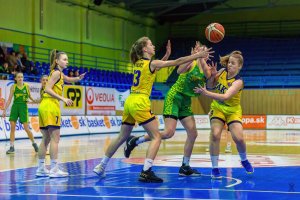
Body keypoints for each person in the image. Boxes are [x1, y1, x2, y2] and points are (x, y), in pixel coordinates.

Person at [93, 37, 213, 183]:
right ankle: (146, 171)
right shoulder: (152, 63)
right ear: (145, 49)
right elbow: (176, 63)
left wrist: (166, 55)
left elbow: (155, 67)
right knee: (156, 137)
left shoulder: (138, 62)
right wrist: (196, 55)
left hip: (130, 100)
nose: (153, 45)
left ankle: (101, 165)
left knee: (121, 137)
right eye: (150, 44)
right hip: (140, 102)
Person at [123, 42, 211, 177]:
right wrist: (194, 56)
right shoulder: (191, 63)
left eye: (205, 52)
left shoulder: (206, 68)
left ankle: (185, 166)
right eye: (201, 51)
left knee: (193, 134)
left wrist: (202, 60)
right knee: (169, 132)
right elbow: (179, 70)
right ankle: (135, 140)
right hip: (174, 97)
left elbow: (209, 79)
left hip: (186, 101)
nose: (203, 53)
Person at [194, 50, 254, 179]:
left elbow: (226, 96)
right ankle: (215, 168)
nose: (230, 65)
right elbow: (210, 87)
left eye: (233, 63)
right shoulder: (221, 72)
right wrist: (212, 77)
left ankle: (244, 160)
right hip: (218, 107)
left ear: (239, 66)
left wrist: (206, 93)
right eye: (229, 62)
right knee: (215, 134)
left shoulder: (238, 82)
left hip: (233, 111)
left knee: (239, 138)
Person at [35, 50, 86, 178]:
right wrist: (63, 99)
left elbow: (68, 79)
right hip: (51, 106)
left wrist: (78, 78)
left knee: (46, 139)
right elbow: (47, 89)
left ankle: (41, 168)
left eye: (67, 59)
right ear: (57, 61)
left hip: (44, 106)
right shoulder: (57, 73)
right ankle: (54, 169)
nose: (67, 61)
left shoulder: (59, 73)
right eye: (64, 59)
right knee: (55, 139)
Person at [2, 72, 39, 154]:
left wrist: (35, 101)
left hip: (23, 107)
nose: (20, 78)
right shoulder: (13, 87)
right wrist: (4, 111)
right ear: (15, 79)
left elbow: (30, 97)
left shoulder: (27, 86)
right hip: (15, 107)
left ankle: (34, 143)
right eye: (18, 77)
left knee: (26, 128)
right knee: (12, 128)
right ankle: (12, 147)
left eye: (21, 77)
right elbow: (9, 100)